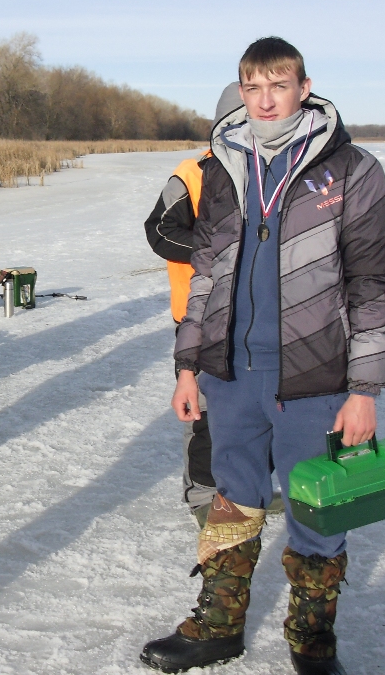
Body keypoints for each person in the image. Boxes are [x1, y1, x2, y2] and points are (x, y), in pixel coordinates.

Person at [140, 37, 385, 675]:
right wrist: (187, 364)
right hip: (231, 373)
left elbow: (372, 285)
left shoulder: (353, 170)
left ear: (303, 88)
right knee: (231, 499)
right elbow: (206, 272)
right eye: (252, 87)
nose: (264, 100)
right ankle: (219, 627)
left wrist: (364, 390)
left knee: (317, 504)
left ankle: (313, 641)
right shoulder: (224, 166)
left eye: (277, 86)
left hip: (314, 377)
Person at [143, 83, 242, 528]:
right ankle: (203, 494)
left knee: (248, 409)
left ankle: (242, 489)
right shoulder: (193, 172)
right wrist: (213, 251)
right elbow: (159, 231)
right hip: (197, 317)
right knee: (201, 411)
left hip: (255, 320)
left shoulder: (274, 173)